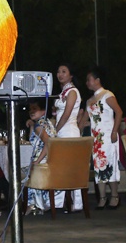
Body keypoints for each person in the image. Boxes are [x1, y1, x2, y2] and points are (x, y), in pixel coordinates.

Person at [79, 67, 122, 209]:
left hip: (108, 136)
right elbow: (84, 120)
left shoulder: (107, 95)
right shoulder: (89, 101)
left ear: (97, 80)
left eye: (89, 80)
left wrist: (114, 131)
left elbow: (119, 112)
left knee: (110, 164)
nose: (87, 82)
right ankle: (102, 197)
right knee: (98, 167)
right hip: (96, 138)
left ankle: (114, 196)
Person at [52, 63, 83, 211]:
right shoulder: (63, 92)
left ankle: (76, 203)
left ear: (71, 75)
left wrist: (54, 130)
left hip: (69, 131)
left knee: (71, 168)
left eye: (64, 71)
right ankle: (59, 202)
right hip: (61, 132)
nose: (60, 74)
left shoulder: (73, 92)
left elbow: (67, 114)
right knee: (61, 168)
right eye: (58, 71)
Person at [25, 98, 57, 215]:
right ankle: (39, 204)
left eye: (35, 109)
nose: (31, 111)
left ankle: (33, 204)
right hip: (52, 159)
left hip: (43, 160)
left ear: (43, 110)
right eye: (30, 109)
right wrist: (32, 125)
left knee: (22, 171)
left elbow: (48, 142)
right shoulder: (47, 123)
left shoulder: (39, 125)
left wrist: (38, 161)